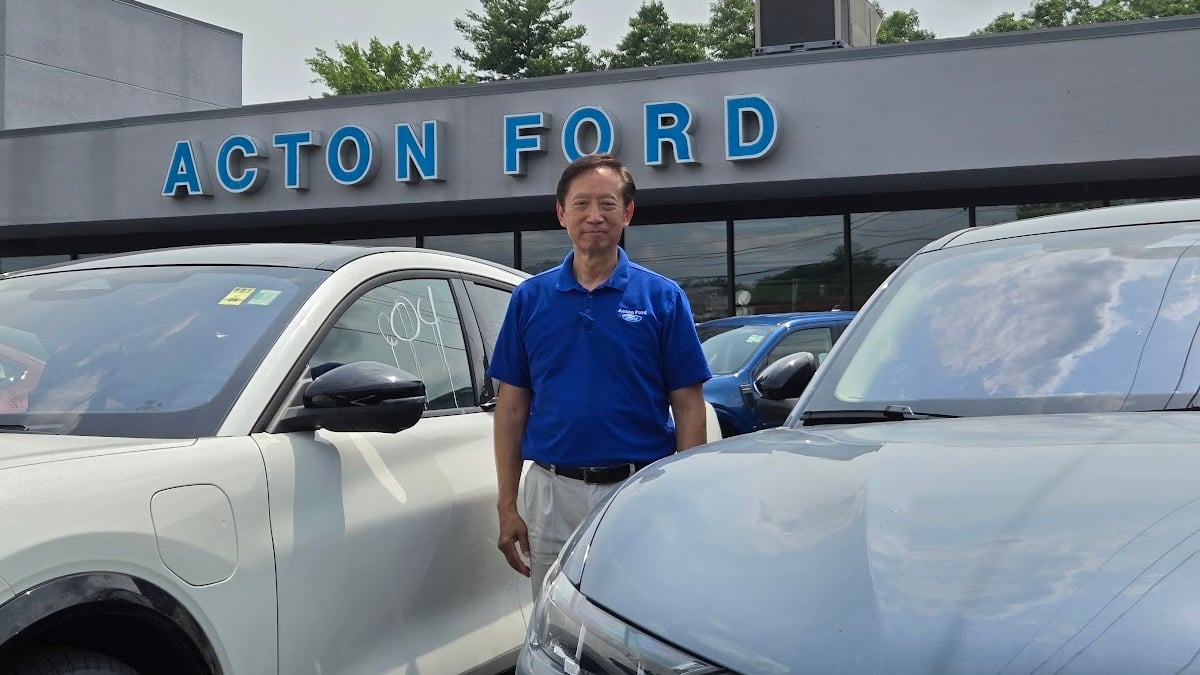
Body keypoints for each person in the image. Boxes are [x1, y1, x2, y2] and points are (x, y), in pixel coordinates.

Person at [486, 153, 712, 597]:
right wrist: (507, 505)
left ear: (627, 213)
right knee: (555, 614)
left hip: (638, 487)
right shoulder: (530, 300)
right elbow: (511, 408)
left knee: (638, 615)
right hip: (551, 493)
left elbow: (688, 407)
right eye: (581, 204)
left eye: (607, 204)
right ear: (561, 213)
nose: (594, 216)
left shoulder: (662, 298)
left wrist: (683, 497)